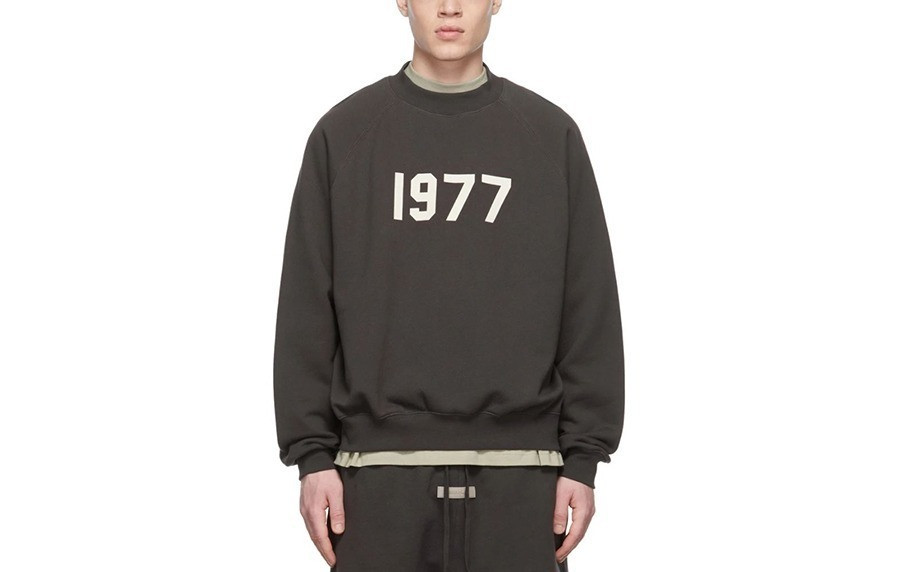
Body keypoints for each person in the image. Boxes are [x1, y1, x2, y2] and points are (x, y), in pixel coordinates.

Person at [273, 1, 625, 570]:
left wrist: (584, 459)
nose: (450, 6)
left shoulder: (549, 136)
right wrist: (311, 457)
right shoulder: (344, 135)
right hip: (373, 482)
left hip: (524, 481)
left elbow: (588, 303)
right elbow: (306, 305)